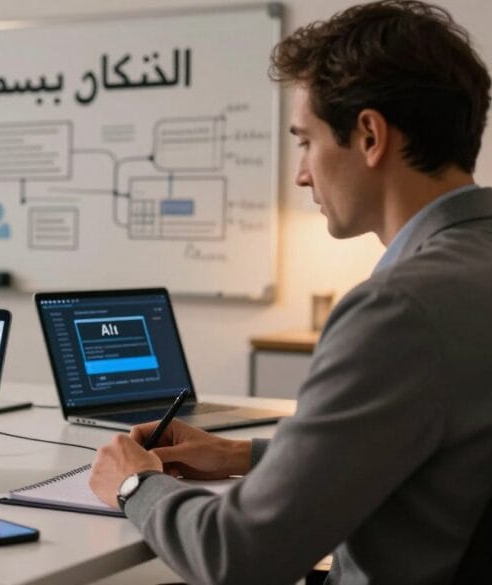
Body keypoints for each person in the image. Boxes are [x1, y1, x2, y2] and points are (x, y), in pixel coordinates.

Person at [88, 2, 492, 583]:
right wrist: (238, 456)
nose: (302, 173)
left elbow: (239, 556)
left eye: (305, 142)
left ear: (370, 136)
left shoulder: (398, 312)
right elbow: (424, 456)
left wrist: (133, 483)